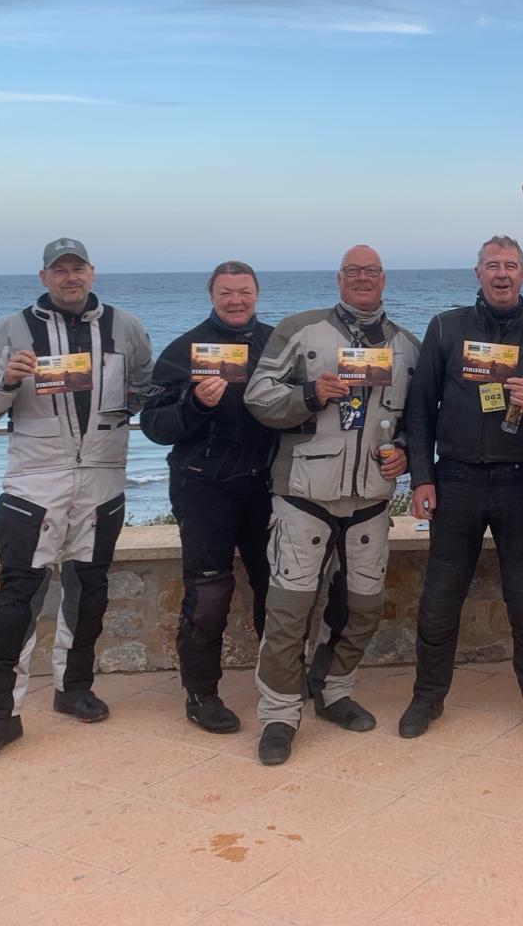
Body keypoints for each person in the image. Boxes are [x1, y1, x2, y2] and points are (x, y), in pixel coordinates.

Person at [0, 238, 153, 761]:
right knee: (17, 600)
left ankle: (74, 689)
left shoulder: (127, 327)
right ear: (43, 277)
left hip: (103, 480)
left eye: (78, 268)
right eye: (59, 270)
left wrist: (135, 406)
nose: (70, 277)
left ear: (92, 271)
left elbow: (144, 389)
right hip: (34, 483)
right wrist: (6, 381)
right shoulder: (7, 331)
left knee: (89, 593)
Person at [141, 261, 346, 735]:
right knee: (209, 594)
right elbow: (153, 425)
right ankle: (201, 694)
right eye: (226, 292)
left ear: (257, 293)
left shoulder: (279, 343)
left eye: (244, 291)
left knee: (277, 590)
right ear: (211, 295)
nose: (236, 300)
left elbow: (302, 407)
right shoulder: (184, 350)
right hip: (203, 487)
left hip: (266, 485)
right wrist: (195, 404)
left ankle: (281, 679)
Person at [244, 246, 419, 765]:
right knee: (288, 612)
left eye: (371, 271)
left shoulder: (408, 346)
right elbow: (258, 396)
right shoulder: (299, 330)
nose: (363, 278)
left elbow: (418, 419)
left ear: (384, 279)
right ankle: (279, 715)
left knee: (363, 608)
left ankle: (332, 690)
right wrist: (309, 393)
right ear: (339, 279)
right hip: (304, 494)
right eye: (353, 271)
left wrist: (406, 452)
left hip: (371, 499)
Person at [399, 236, 523, 739]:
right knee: (439, 599)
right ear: (477, 273)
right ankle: (427, 697)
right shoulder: (445, 327)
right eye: (492, 265)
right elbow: (420, 408)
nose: (501, 273)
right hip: (455, 478)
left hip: (520, 479)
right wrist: (421, 477)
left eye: (510, 265)